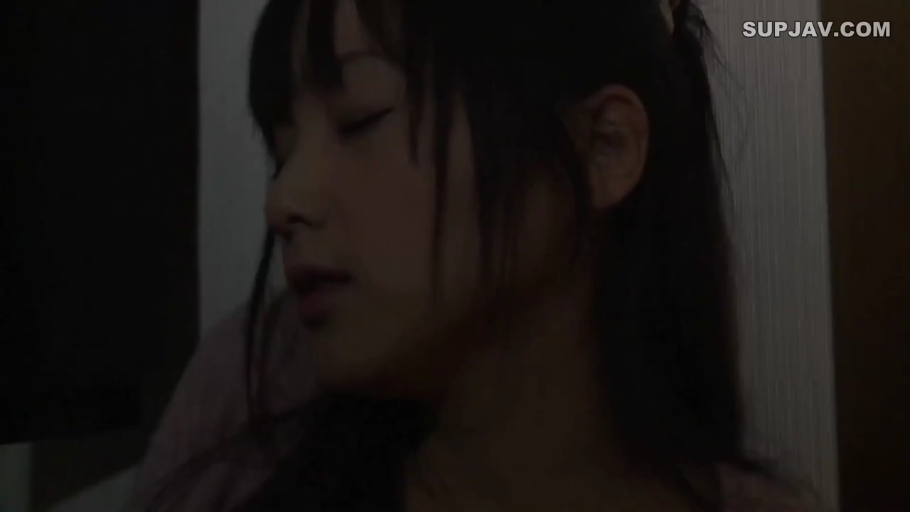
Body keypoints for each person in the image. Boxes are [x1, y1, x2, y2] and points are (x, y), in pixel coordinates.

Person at [131, 0, 824, 510]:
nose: (284, 200)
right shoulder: (244, 409)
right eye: (283, 153)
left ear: (602, 147)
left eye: (361, 120)